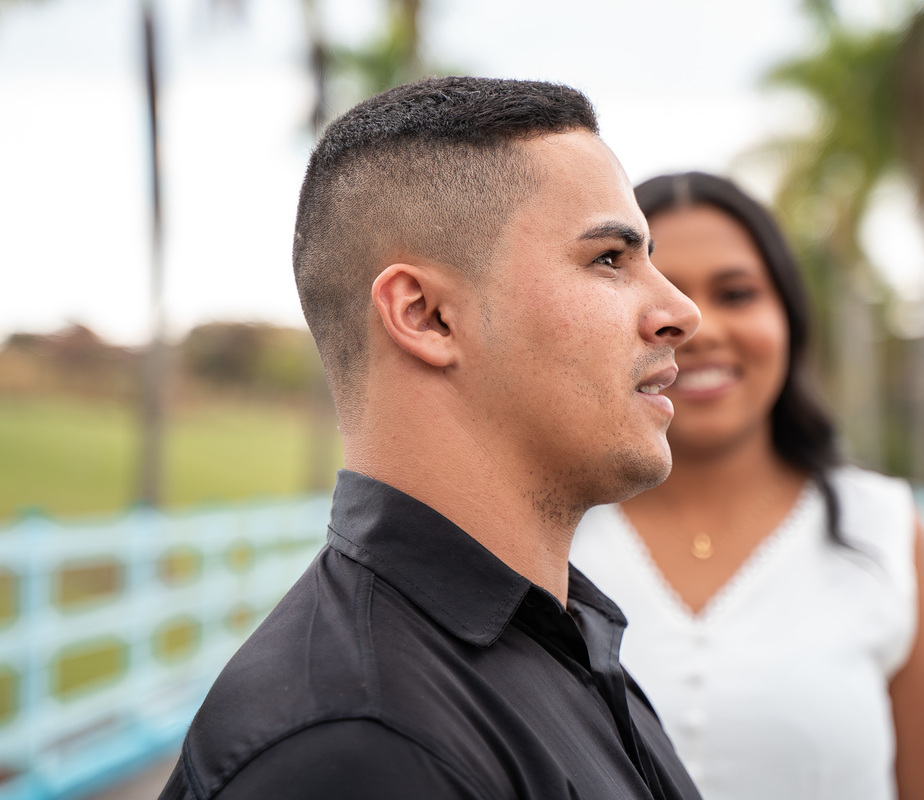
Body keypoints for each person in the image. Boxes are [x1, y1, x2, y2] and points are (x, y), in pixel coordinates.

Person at [158, 77, 705, 800]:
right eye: (609, 258)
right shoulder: (357, 745)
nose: (680, 311)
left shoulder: (559, 640)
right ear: (425, 316)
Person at [571, 172, 924, 800]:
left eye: (737, 294)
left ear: (789, 315)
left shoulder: (884, 530)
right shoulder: (548, 530)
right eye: (660, 290)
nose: (697, 327)